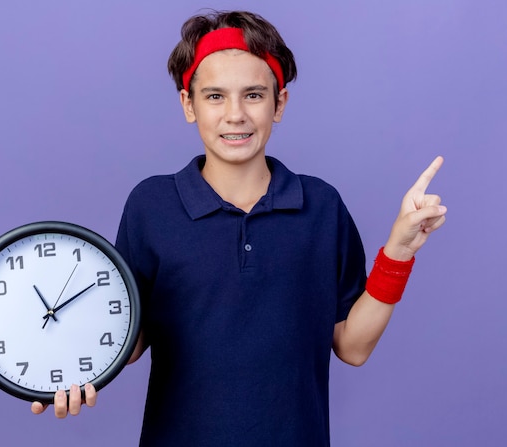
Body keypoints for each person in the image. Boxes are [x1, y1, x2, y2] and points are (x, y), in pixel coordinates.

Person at [31, 10, 447, 446]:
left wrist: (399, 251)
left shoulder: (321, 207)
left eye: (253, 95)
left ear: (279, 103)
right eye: (214, 96)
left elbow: (352, 346)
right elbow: (128, 343)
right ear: (188, 105)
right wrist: (71, 370)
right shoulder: (151, 207)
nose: (235, 115)